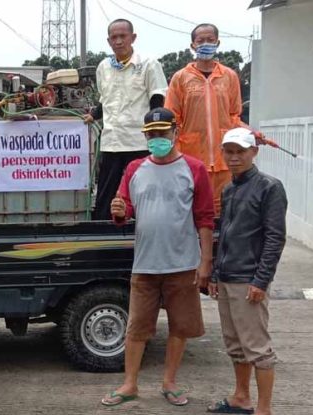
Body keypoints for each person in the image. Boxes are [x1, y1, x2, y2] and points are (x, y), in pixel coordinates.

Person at [101, 107, 214, 407]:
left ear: (176, 133)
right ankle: (129, 384)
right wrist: (119, 211)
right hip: (145, 265)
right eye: (151, 134)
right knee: (136, 328)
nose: (157, 138)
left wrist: (205, 263)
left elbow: (204, 219)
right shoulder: (134, 169)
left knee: (180, 327)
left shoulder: (194, 169)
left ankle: (170, 382)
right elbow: (123, 208)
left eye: (162, 133)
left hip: (183, 264)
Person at [207, 128, 287, 415]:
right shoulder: (229, 189)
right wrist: (215, 273)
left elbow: (275, 237)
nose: (234, 157)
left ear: (254, 152)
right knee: (235, 344)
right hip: (227, 277)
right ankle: (241, 397)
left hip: (249, 280)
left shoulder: (269, 187)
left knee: (257, 348)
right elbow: (224, 235)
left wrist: (261, 280)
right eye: (229, 151)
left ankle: (264, 409)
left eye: (240, 151)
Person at [165, 23, 262, 215]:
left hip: (223, 157)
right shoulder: (180, 78)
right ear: (192, 45)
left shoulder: (229, 76)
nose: (206, 44)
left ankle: (222, 246)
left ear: (218, 42)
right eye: (200, 41)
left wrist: (249, 132)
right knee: (192, 209)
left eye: (210, 40)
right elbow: (172, 118)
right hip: (191, 157)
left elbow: (234, 116)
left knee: (224, 211)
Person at [83, 18, 168, 220]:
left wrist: (155, 134)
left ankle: (146, 227)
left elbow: (157, 99)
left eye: (123, 36)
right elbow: (107, 100)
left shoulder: (148, 64)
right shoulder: (103, 67)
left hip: (139, 140)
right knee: (106, 192)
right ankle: (101, 236)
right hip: (112, 141)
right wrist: (94, 115)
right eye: (114, 37)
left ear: (133, 37)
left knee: (144, 190)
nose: (119, 41)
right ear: (109, 41)